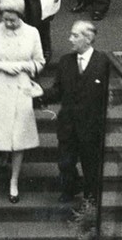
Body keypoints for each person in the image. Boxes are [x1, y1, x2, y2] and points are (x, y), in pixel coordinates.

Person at [0, 0, 45, 203]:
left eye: (12, 20)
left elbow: (40, 61)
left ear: (20, 15)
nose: (8, 23)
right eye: (5, 19)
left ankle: (14, 180)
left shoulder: (32, 33)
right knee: (2, 130)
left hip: (21, 88)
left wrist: (24, 66)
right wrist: (1, 66)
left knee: (19, 136)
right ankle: (2, 154)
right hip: (0, 87)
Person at [38, 20, 109, 204]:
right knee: (65, 163)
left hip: (91, 127)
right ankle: (70, 190)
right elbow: (57, 91)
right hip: (68, 125)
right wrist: (39, 95)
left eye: (75, 35)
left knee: (91, 166)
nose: (70, 39)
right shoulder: (65, 62)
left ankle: (90, 199)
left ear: (88, 38)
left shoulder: (103, 63)